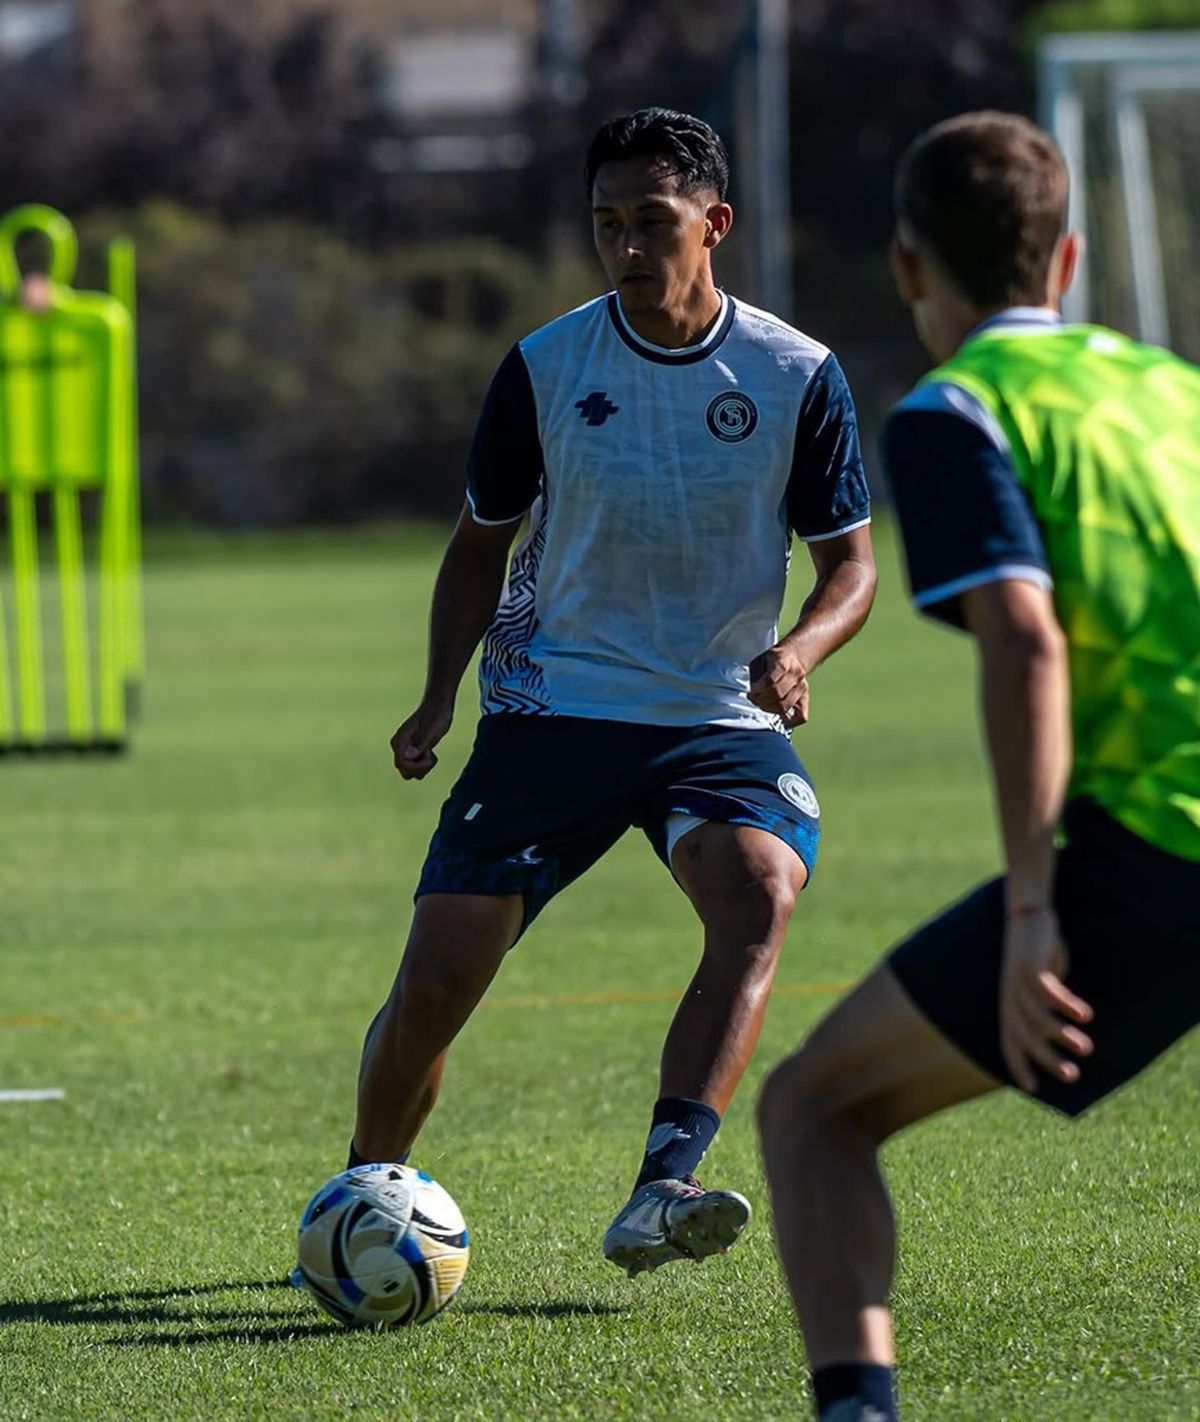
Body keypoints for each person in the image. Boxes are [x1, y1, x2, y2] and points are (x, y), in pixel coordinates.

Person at [347, 107, 875, 1278]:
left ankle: (664, 1184)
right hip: (553, 708)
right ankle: (358, 1193)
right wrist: (439, 695)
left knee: (759, 894)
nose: (628, 247)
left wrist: (800, 652)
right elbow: (480, 545)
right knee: (437, 982)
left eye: (653, 221)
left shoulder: (797, 375)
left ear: (714, 223)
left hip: (716, 715)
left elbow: (853, 566)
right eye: (607, 225)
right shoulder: (545, 366)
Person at [758, 109, 1200, 1421]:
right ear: (1064, 264)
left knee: (812, 1112)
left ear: (908, 269)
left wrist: (1029, 906)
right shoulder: (1175, 388)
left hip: (1160, 847)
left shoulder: (958, 413)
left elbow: (1023, 639)